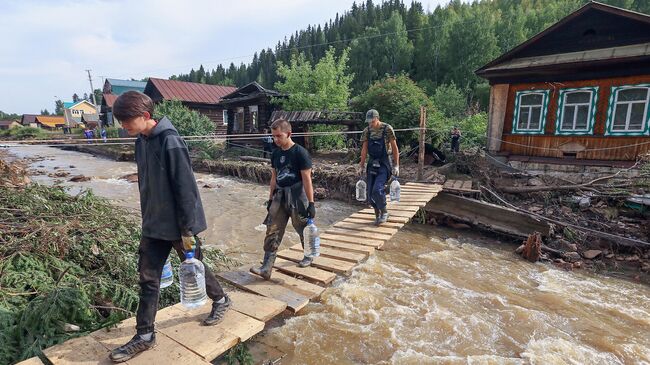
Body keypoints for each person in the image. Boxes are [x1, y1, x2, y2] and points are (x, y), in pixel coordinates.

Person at [108, 91, 230, 362]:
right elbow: (146, 186)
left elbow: (186, 189)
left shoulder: (170, 141)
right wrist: (147, 218)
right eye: (121, 121)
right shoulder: (140, 141)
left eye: (127, 121)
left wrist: (188, 231)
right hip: (154, 223)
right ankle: (145, 336)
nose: (123, 126)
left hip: (179, 224)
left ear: (146, 116)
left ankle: (221, 300)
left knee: (195, 266)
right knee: (148, 279)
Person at [251, 118, 316, 279]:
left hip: (297, 196)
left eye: (278, 136)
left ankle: (308, 255)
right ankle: (266, 267)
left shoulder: (300, 153)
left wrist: (311, 203)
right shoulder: (276, 153)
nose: (275, 140)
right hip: (279, 196)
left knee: (301, 226)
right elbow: (274, 177)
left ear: (289, 134)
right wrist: (271, 199)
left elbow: (307, 179)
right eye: (273, 136)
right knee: (272, 229)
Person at [359, 109, 399, 225]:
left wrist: (396, 165)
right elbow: (364, 149)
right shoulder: (367, 131)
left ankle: (384, 211)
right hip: (372, 163)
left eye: (372, 121)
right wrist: (361, 166)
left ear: (377, 118)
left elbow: (395, 148)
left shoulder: (387, 129)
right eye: (369, 121)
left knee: (377, 190)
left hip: (384, 163)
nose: (370, 123)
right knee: (370, 194)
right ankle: (377, 216)